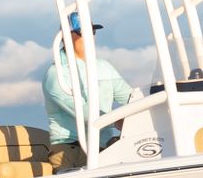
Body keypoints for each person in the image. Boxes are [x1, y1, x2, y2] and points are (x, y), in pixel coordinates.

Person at [42, 12, 136, 159]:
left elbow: (132, 98)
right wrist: (119, 120)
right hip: (71, 150)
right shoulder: (56, 75)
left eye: (92, 31)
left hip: (104, 147)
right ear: (66, 36)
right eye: (83, 32)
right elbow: (86, 114)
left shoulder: (104, 66)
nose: (90, 36)